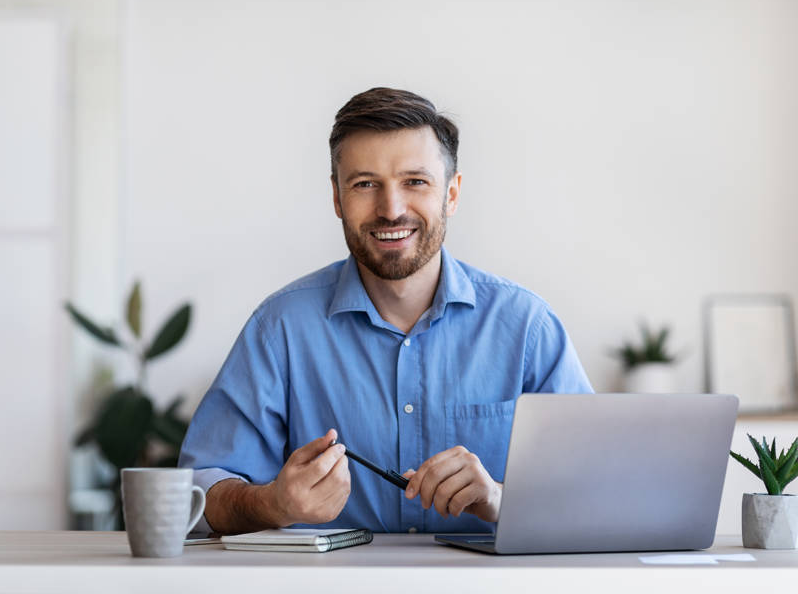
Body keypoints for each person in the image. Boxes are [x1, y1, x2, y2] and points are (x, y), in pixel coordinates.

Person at [178, 87, 593, 535]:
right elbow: (197, 495)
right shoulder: (279, 329)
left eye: (415, 181)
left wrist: (500, 498)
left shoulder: (528, 328)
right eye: (365, 184)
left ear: (451, 194)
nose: (391, 209)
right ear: (337, 199)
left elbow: (597, 491)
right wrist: (271, 504)